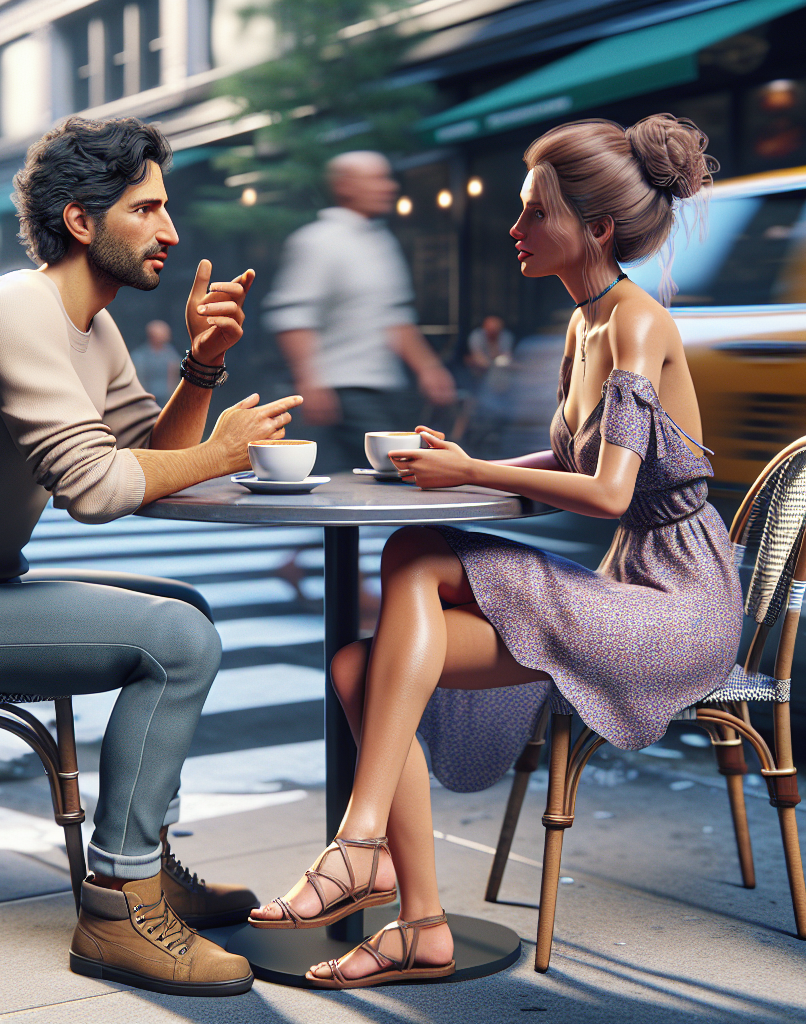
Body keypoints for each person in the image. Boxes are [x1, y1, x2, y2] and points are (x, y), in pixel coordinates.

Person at [249, 114, 742, 989]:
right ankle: (420, 924)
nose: (514, 228)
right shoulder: (584, 325)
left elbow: (610, 493)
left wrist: (471, 471)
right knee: (361, 668)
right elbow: (574, 462)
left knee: (417, 552)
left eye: (533, 213)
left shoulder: (636, 324)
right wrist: (457, 466)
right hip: (626, 587)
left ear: (596, 228)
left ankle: (360, 842)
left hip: (677, 610)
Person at [0, 116, 302, 997]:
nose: (171, 231)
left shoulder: (94, 327)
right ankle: (117, 910)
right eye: (146, 209)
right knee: (178, 642)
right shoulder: (16, 309)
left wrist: (201, 369)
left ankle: (145, 862)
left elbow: (147, 462)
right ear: (82, 221)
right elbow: (94, 489)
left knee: (187, 613)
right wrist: (226, 451)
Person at [263, 150, 456, 471]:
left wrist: (428, 368)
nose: (390, 187)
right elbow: (293, 317)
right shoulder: (317, 241)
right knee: (380, 475)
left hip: (388, 388)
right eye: (377, 179)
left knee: (387, 476)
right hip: (340, 392)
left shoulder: (381, 242)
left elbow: (394, 318)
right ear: (345, 186)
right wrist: (310, 381)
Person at [132, 318, 180, 402]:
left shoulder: (171, 354)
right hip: (147, 398)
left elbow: (176, 376)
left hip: (168, 399)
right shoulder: (139, 357)